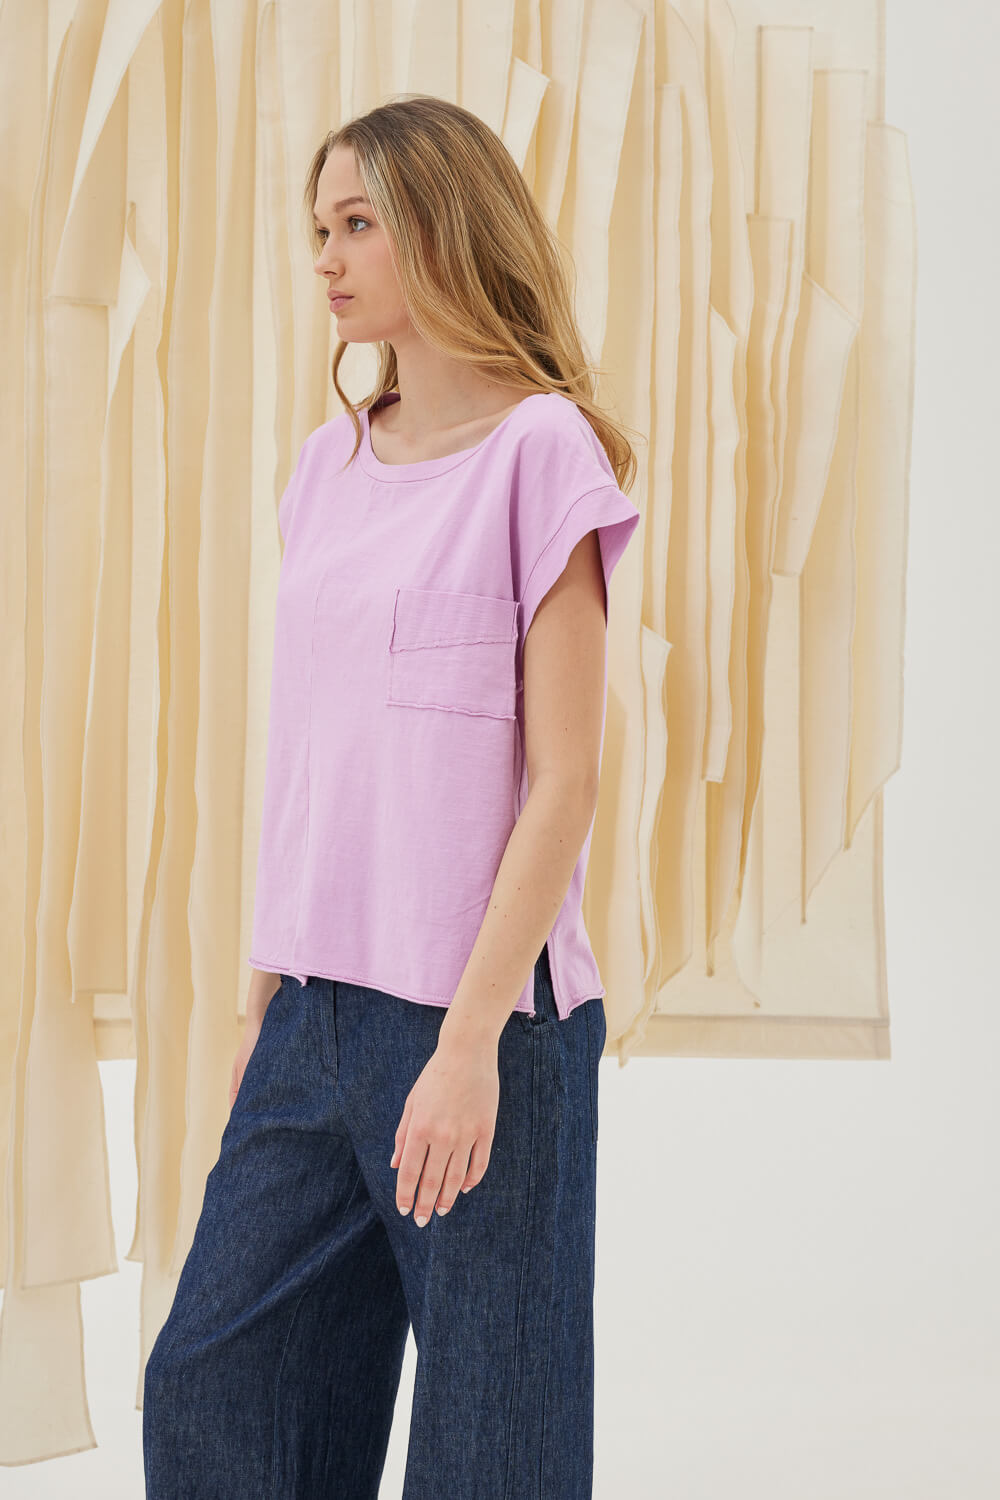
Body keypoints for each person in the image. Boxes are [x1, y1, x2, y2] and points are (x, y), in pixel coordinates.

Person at [142, 94, 641, 1499]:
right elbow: (314, 748)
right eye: (321, 227)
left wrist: (472, 1042)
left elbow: (566, 778)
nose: (327, 256)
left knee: (491, 1454)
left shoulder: (543, 453)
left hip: (484, 1026)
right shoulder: (328, 465)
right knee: (214, 1388)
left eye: (358, 223)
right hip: (313, 1017)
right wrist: (264, 1004)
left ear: (444, 229)